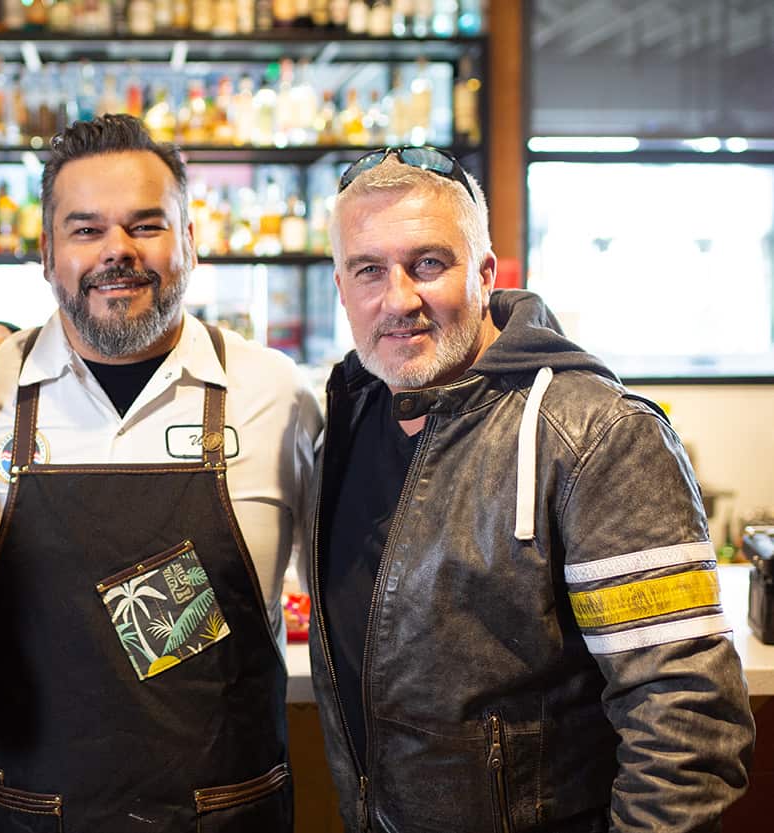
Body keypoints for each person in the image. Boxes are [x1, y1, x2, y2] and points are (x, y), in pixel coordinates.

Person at [309, 147, 755, 832]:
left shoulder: (597, 433)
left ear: (486, 273)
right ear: (342, 287)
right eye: (370, 270)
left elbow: (687, 718)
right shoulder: (348, 414)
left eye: (428, 263)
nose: (398, 299)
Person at [0, 114, 321, 831]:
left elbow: (357, 597)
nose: (116, 252)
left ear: (190, 241)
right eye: (86, 229)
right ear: (46, 250)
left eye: (146, 225)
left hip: (227, 815)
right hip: (31, 814)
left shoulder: (277, 393)